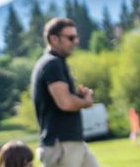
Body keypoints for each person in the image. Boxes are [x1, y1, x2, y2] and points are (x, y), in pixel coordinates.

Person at [30, 17, 99, 167]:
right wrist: (85, 102)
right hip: (61, 144)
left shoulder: (55, 63)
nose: (76, 41)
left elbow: (64, 99)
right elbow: (65, 103)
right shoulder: (52, 63)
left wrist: (78, 98)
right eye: (70, 37)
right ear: (53, 39)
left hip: (70, 142)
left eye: (76, 37)